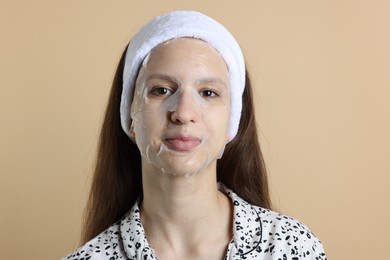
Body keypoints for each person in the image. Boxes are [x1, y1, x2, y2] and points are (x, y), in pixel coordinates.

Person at [63, 10, 326, 260]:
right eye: (161, 90)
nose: (184, 113)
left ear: (231, 122)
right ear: (130, 114)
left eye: (208, 92)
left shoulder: (291, 247)